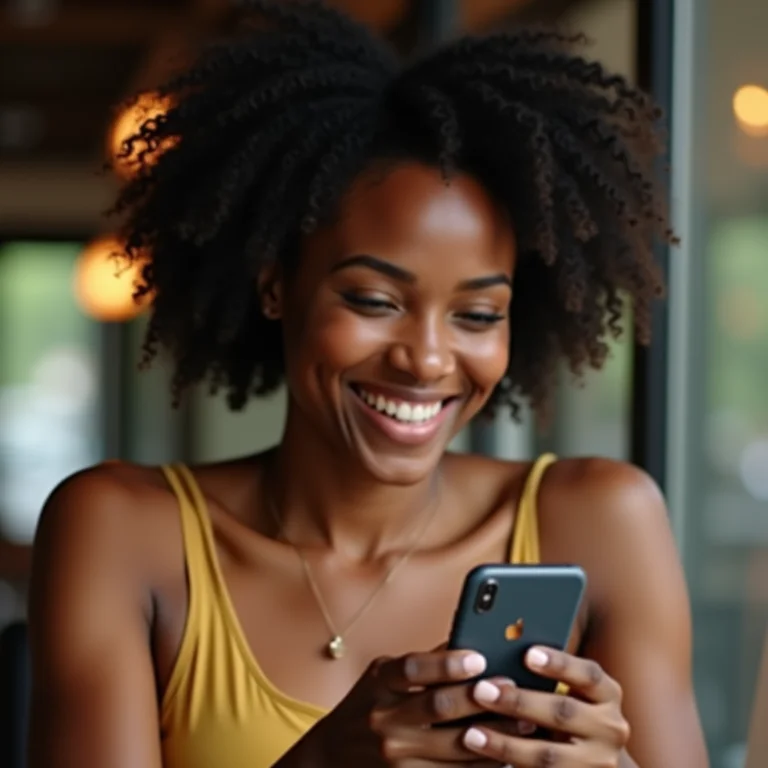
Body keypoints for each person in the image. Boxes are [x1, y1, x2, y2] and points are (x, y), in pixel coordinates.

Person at [27, 1, 708, 766]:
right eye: (374, 301)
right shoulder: (124, 531)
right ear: (276, 285)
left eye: (478, 314)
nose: (425, 358)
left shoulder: (600, 521)